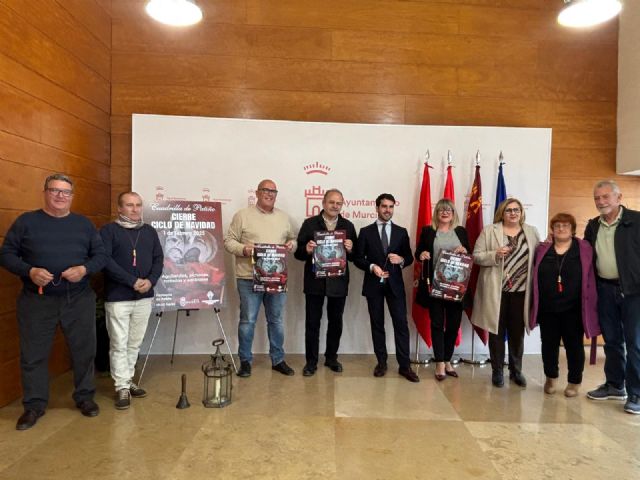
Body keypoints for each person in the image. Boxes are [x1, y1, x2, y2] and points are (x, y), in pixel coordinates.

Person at [0, 174, 107, 430]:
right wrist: (29, 271)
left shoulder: (83, 224)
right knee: (33, 355)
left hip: (78, 298)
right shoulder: (26, 222)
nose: (60, 196)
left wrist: (84, 269)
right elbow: (6, 254)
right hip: (36, 300)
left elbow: (101, 255)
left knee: (84, 351)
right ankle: (34, 406)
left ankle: (85, 397)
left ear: (72, 196)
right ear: (45, 192)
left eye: (66, 192)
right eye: (55, 190)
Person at [224, 179, 297, 377]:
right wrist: (244, 249)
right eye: (266, 190)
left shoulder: (283, 217)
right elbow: (228, 241)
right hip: (249, 278)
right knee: (248, 321)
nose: (270, 194)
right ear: (257, 193)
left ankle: (278, 359)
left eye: (273, 191)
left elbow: (292, 239)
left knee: (276, 321)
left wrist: (292, 245)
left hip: (276, 278)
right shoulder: (242, 215)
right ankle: (245, 361)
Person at [100, 192, 164, 410]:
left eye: (138, 205)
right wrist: (132, 281)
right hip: (118, 297)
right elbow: (105, 261)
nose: (135, 209)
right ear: (120, 208)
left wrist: (150, 281)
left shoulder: (149, 231)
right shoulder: (109, 231)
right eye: (129, 205)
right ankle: (121, 387)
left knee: (134, 343)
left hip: (144, 296)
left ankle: (127, 381)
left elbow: (158, 259)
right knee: (119, 343)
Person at [584, 180, 640, 415]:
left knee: (635, 343)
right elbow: (585, 254)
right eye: (597, 198)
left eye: (605, 197)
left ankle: (636, 392)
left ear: (619, 197)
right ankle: (615, 385)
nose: (601, 202)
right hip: (605, 290)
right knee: (612, 341)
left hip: (634, 292)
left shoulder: (636, 221)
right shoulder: (593, 226)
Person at [471, 198, 540, 388]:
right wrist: (494, 254)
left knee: (517, 334)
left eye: (516, 210)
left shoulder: (531, 231)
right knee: (496, 333)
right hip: (497, 291)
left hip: (522, 291)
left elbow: (539, 257)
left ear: (521, 212)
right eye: (509, 210)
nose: (513, 213)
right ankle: (497, 371)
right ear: (502, 212)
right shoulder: (489, 231)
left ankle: (516, 371)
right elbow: (476, 256)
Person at [530, 213, 599, 397]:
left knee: (574, 346)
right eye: (557, 225)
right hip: (548, 308)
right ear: (552, 230)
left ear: (573, 229)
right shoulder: (542, 249)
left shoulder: (584, 248)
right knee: (548, 345)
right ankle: (551, 377)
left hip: (574, 308)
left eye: (565, 225)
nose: (561, 228)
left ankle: (574, 382)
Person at [354, 193, 419, 382]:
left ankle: (404, 366)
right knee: (377, 324)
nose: (387, 210)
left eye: (391, 207)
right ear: (377, 208)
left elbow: (409, 257)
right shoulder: (365, 232)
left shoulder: (401, 232)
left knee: (401, 324)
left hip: (395, 286)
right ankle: (381, 363)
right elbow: (358, 258)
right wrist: (372, 267)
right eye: (384, 206)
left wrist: (401, 260)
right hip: (373, 285)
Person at [294, 189, 357, 376]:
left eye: (339, 203)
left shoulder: (348, 226)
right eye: (331, 202)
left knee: (335, 322)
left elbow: (355, 256)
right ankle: (311, 362)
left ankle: (331, 358)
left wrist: (351, 249)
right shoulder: (310, 224)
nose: (335, 206)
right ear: (323, 203)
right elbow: (298, 254)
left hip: (338, 282)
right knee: (312, 323)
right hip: (315, 282)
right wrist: (306, 249)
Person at [414, 199, 470, 381]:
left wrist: (464, 251)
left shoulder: (460, 232)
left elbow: (469, 255)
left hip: (456, 287)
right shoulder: (428, 231)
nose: (445, 212)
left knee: (453, 325)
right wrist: (422, 254)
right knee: (437, 324)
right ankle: (439, 362)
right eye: (441, 210)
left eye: (448, 210)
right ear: (436, 213)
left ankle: (447, 360)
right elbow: (418, 253)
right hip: (435, 286)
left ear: (453, 214)